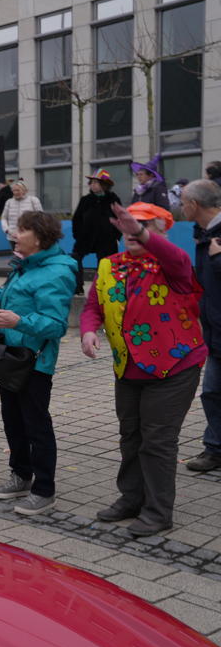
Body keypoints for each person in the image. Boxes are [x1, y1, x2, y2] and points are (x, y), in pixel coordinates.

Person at [80, 203, 202, 536]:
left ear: (162, 230)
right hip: (129, 368)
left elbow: (175, 259)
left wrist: (142, 233)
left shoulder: (173, 264)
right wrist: (89, 329)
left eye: (145, 225)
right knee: (130, 436)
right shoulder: (110, 265)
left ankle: (158, 512)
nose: (133, 230)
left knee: (158, 441)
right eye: (128, 224)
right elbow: (94, 306)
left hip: (174, 366)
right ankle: (131, 498)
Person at [0, 211, 77, 515]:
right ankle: (20, 476)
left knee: (36, 425)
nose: (14, 234)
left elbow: (56, 325)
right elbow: (17, 299)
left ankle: (44, 489)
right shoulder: (24, 265)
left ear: (38, 236)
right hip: (10, 357)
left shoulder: (57, 271)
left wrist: (17, 321)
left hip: (34, 362)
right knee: (13, 420)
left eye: (21, 230)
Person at [179, 179, 221, 473]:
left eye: (182, 202)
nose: (180, 207)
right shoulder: (205, 235)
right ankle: (215, 449)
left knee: (214, 390)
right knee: (211, 392)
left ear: (194, 205)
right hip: (214, 329)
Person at [70, 169, 121, 295]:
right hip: (86, 237)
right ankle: (78, 287)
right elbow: (76, 219)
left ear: (104, 185)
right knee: (75, 258)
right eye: (91, 182)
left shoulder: (113, 199)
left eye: (95, 182)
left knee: (105, 263)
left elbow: (120, 218)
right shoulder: (85, 200)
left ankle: (101, 289)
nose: (92, 185)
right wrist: (78, 235)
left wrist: (117, 237)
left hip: (106, 238)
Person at [0, 180, 43, 247]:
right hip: (13, 237)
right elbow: (4, 218)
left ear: (25, 190)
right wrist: (7, 230)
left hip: (29, 237)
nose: (15, 192)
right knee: (17, 256)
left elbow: (41, 217)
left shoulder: (33, 200)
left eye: (18, 190)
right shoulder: (9, 202)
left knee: (29, 256)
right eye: (14, 190)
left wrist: (33, 231)